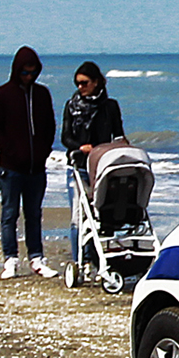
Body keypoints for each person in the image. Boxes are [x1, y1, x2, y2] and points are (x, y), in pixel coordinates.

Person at [0, 46, 57, 280]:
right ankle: (10, 260)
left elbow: (49, 126)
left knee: (34, 213)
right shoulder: (1, 95)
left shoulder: (43, 94)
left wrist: (44, 151)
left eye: (33, 73)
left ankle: (37, 258)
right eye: (25, 73)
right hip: (11, 167)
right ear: (17, 71)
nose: (29, 77)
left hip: (37, 168)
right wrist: (11, 151)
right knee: (10, 213)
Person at [59, 60, 128, 272]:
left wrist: (120, 145)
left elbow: (118, 132)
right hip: (79, 166)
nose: (80, 87)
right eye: (77, 83)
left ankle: (102, 258)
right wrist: (80, 147)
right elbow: (65, 137)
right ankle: (82, 259)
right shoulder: (71, 106)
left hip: (103, 166)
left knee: (102, 213)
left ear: (96, 82)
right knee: (79, 216)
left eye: (85, 83)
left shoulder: (110, 106)